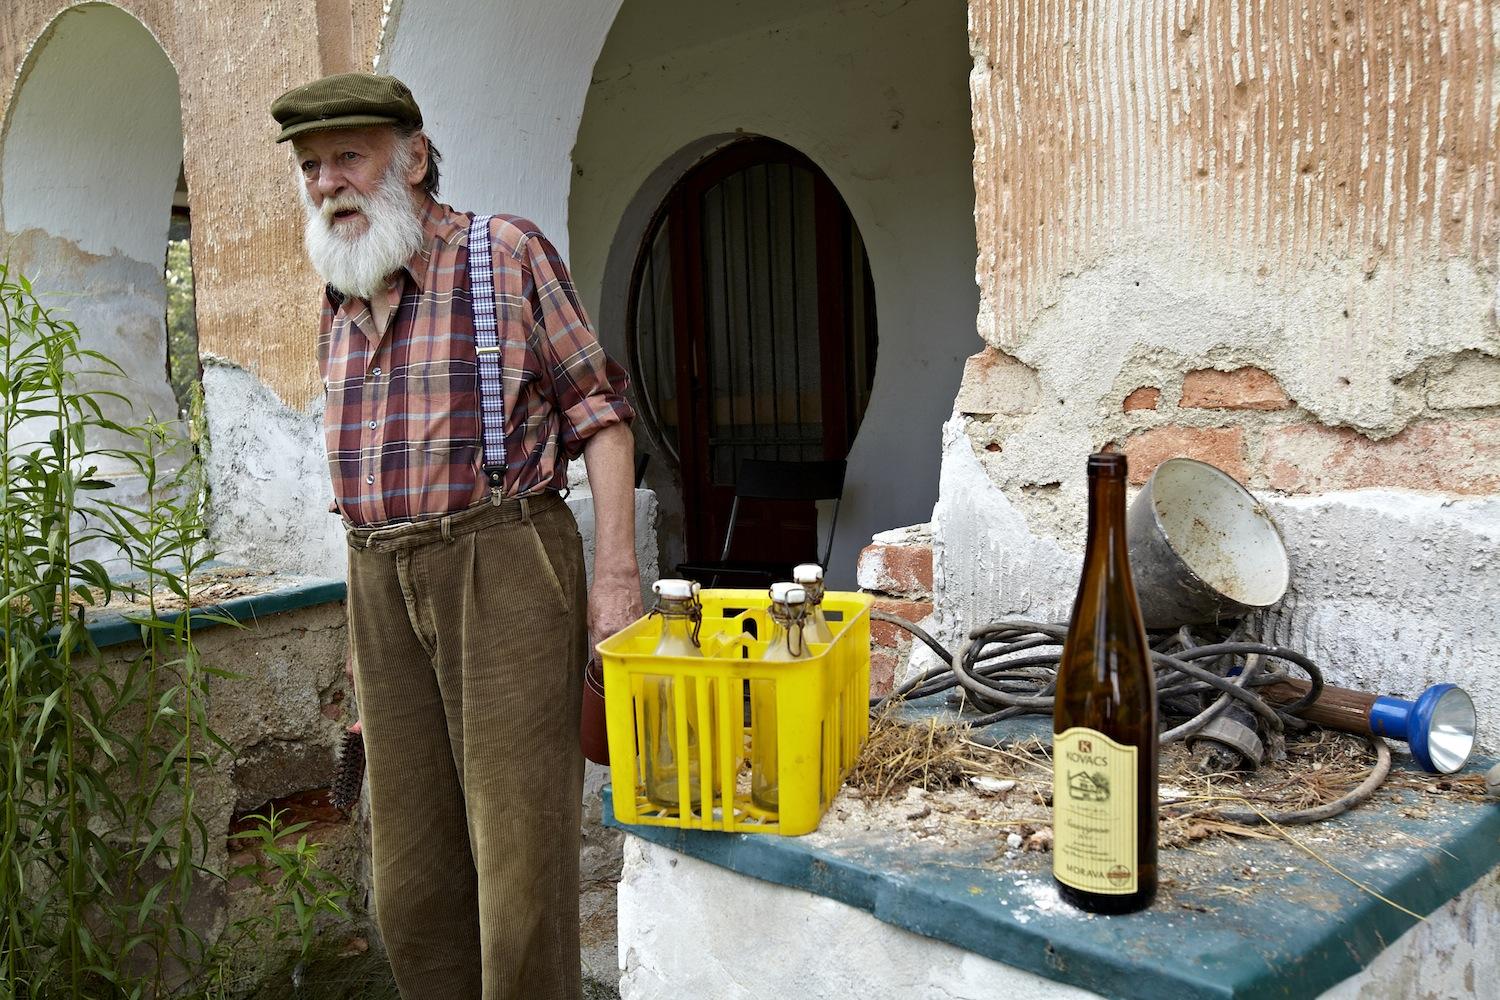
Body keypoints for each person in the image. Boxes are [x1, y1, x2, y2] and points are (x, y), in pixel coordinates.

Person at [270, 72, 643, 1000]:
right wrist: (366, 640)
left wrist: (616, 579)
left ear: (414, 156)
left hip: (502, 561)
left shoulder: (503, 253)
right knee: (410, 882)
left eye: (348, 156)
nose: (327, 181)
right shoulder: (341, 290)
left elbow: (601, 415)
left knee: (519, 871)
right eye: (312, 165)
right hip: (377, 580)